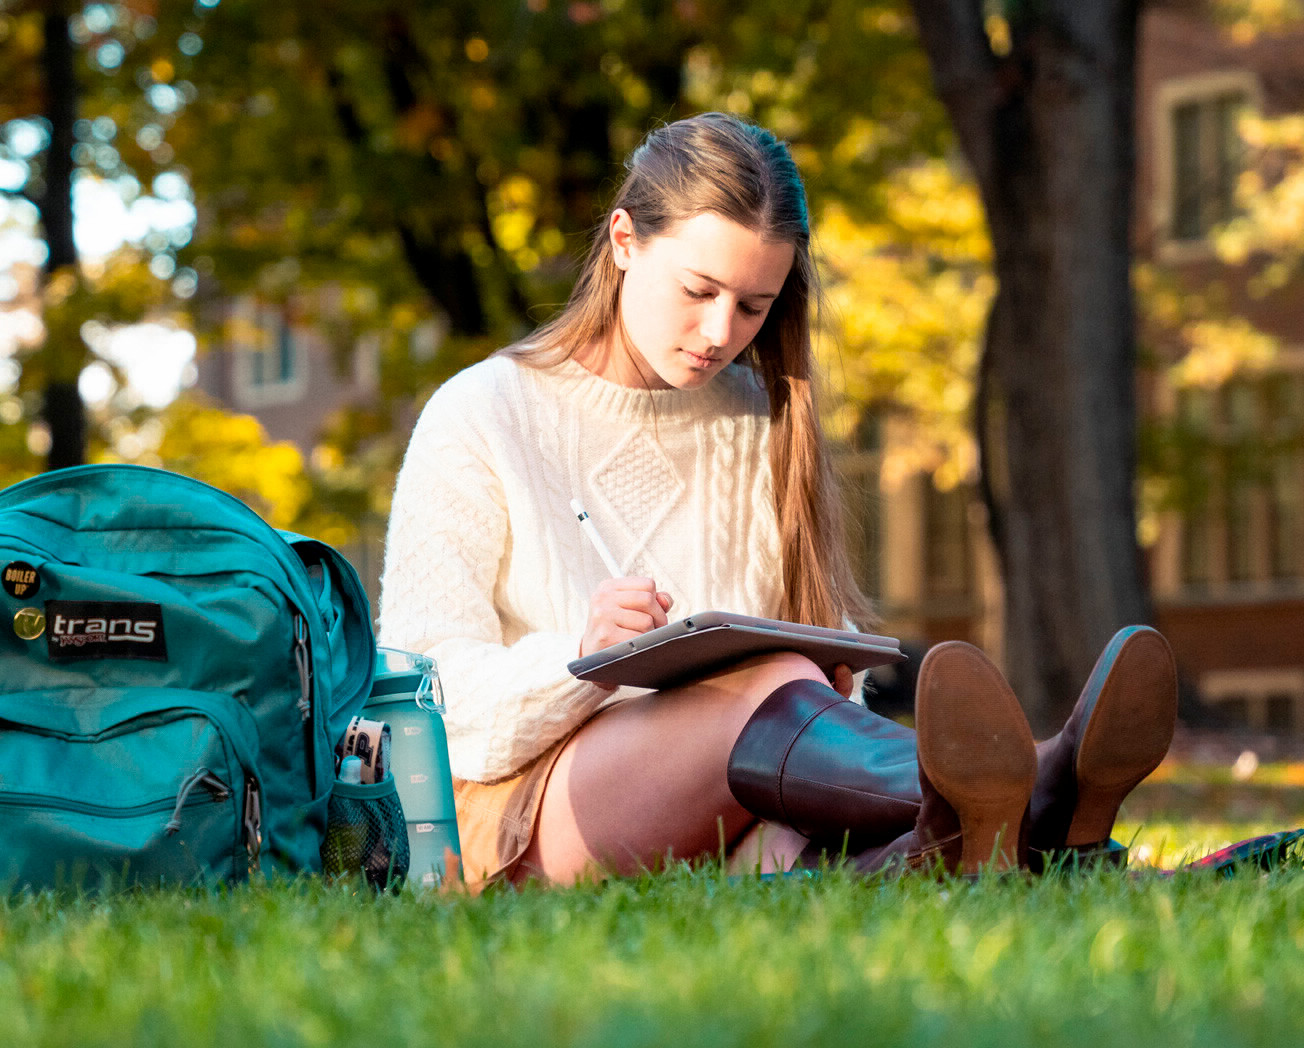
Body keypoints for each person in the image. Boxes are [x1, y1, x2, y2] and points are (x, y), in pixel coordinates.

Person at [375, 112, 1178, 889]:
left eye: (754, 306)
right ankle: (1040, 782)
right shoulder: (482, 413)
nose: (720, 331)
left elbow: (806, 686)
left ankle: (995, 838)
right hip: (522, 817)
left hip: (736, 795)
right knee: (769, 686)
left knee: (840, 816)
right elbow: (417, 698)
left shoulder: (761, 420)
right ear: (624, 241)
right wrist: (578, 660)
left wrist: (833, 675)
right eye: (699, 290)